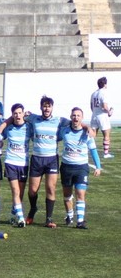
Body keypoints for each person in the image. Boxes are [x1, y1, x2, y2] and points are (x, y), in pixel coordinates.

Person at [23, 96, 91, 227]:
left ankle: (48, 219)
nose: (46, 108)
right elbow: (17, 117)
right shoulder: (33, 118)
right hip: (37, 159)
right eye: (44, 106)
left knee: (50, 188)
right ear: (41, 107)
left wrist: (86, 126)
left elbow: (75, 121)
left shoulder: (59, 120)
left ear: (52, 108)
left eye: (49, 106)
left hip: (52, 159)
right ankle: (33, 209)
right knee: (32, 190)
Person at [59, 107, 102, 229]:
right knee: (67, 195)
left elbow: (93, 150)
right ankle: (69, 215)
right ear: (70, 117)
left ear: (82, 118)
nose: (76, 118)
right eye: (74, 115)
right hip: (66, 167)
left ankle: (80, 221)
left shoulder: (87, 134)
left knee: (80, 193)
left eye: (78, 116)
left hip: (81, 167)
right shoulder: (64, 131)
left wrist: (98, 167)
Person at [0, 103, 32, 228]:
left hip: (23, 163)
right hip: (11, 163)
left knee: (20, 192)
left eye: (19, 113)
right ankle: (21, 218)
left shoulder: (29, 127)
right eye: (15, 113)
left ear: (23, 113)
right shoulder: (9, 127)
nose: (17, 115)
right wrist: (0, 141)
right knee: (15, 191)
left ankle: (13, 214)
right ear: (12, 115)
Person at [90, 76, 113, 159]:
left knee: (92, 135)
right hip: (102, 116)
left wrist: (95, 112)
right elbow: (105, 106)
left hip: (94, 115)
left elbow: (91, 107)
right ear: (105, 84)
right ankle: (106, 154)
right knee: (106, 135)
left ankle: (88, 150)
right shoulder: (104, 92)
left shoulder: (93, 93)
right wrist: (109, 112)